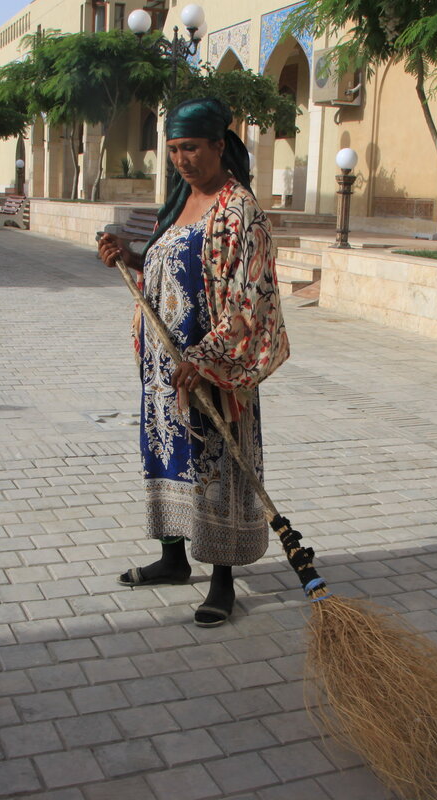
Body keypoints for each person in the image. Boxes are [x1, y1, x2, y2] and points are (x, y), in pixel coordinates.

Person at [97, 97, 289, 628]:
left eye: (191, 148)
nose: (181, 159)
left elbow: (254, 301)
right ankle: (174, 559)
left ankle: (222, 581)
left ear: (218, 146)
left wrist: (206, 359)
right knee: (168, 459)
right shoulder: (179, 200)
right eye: (174, 149)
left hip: (212, 374)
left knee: (217, 467)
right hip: (164, 372)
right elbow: (167, 264)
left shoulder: (238, 211)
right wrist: (131, 256)